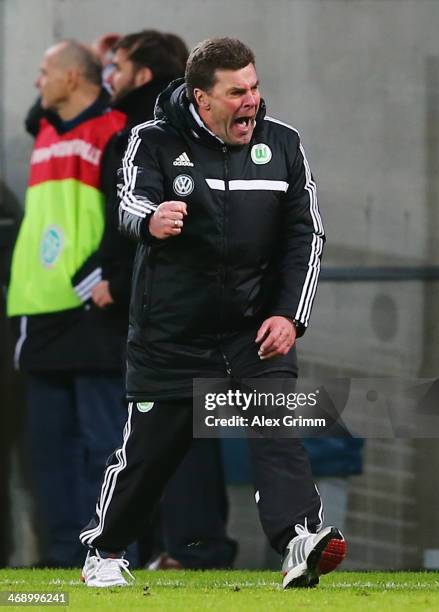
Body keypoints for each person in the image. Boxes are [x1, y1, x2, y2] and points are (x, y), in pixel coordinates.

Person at [79, 37, 346, 589]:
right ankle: (104, 552)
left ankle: (299, 538)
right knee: (149, 456)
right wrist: (151, 220)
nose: (250, 101)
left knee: (279, 432)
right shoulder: (151, 141)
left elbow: (306, 236)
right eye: (235, 92)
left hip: (254, 331)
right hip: (171, 335)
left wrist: (290, 316)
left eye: (254, 88)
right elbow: (128, 203)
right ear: (202, 98)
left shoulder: (284, 145)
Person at [99, 28, 237, 571]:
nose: (108, 73)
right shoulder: (162, 131)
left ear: (144, 73)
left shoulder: (147, 134)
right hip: (181, 307)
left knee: (172, 431)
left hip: (163, 309)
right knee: (171, 432)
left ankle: (187, 549)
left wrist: (112, 275)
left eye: (117, 64)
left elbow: (124, 219)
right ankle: (175, 548)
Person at [7, 40, 127, 567]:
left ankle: (109, 553)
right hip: (39, 310)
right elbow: (40, 107)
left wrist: (101, 277)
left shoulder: (115, 131)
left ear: (75, 77)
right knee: (48, 451)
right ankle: (60, 557)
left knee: (105, 444)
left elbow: (127, 217)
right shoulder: (47, 129)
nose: (38, 83)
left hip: (89, 309)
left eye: (44, 71)